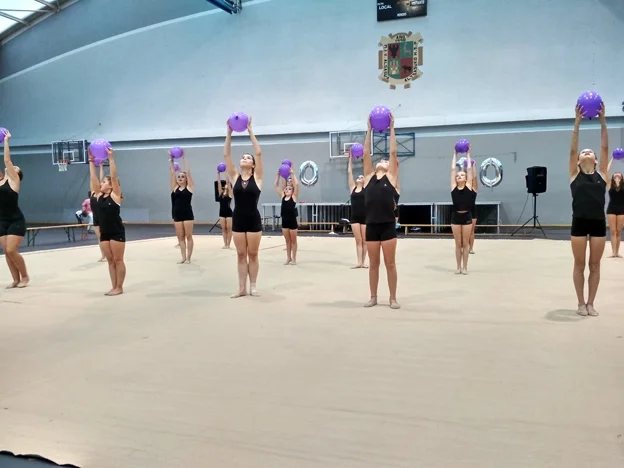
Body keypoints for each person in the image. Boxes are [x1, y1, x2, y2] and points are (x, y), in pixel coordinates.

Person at [569, 103, 609, 316]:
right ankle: (580, 303)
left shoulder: (602, 174)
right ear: (577, 161)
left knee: (594, 265)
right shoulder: (574, 175)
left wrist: (603, 122)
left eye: (590, 151)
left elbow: (604, 147)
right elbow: (572, 149)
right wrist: (577, 123)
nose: (586, 152)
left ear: (595, 160)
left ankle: (591, 303)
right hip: (579, 221)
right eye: (583, 152)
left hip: (598, 223)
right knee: (579, 264)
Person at [361, 113, 400, 309]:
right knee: (373, 264)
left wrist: (392, 128)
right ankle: (373, 296)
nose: (383, 160)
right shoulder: (368, 177)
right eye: (382, 160)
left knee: (390, 263)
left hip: (387, 226)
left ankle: (392, 298)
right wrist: (369, 129)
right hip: (371, 226)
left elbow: (392, 153)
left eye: (386, 161)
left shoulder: (391, 177)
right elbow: (366, 154)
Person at [224, 116, 264, 298]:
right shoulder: (235, 177)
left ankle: (253, 286)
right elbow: (226, 155)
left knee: (253, 254)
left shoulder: (258, 178)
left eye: (248, 158)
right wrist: (229, 133)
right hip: (238, 220)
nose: (245, 159)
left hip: (253, 220)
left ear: (253, 165)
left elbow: (259, 153)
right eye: (243, 157)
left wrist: (250, 131)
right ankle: (241, 288)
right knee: (241, 255)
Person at [89, 147, 126, 296]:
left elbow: (114, 177)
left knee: (118, 260)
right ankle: (113, 286)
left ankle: (119, 287)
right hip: (104, 232)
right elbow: (93, 178)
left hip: (116, 231)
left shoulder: (115, 195)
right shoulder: (98, 196)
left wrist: (111, 159)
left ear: (110, 185)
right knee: (110, 261)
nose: (101, 184)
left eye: (104, 182)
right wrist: (91, 161)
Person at [0, 131, 28, 288]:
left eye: (15, 168)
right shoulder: (0, 181)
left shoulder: (14, 181)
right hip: (1, 220)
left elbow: (6, 160)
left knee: (11, 250)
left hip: (15, 220)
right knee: (6, 252)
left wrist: (6, 141)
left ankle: (25, 276)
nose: (12, 167)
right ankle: (15, 279)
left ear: (17, 174)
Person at [450, 147, 474, 275]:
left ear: (466, 178)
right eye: (458, 175)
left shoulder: (469, 186)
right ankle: (458, 267)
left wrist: (468, 153)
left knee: (465, 243)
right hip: (455, 217)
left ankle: (465, 267)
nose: (459, 176)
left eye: (462, 175)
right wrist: (455, 154)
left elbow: (469, 169)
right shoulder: (453, 187)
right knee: (457, 243)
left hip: (467, 217)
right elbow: (452, 169)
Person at [169, 154, 195, 263]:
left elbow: (188, 172)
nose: (180, 178)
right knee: (180, 237)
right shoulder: (174, 188)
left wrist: (184, 158)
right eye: (178, 177)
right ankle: (183, 257)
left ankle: (189, 258)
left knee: (188, 236)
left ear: (186, 179)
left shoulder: (190, 188)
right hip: (177, 215)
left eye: (182, 177)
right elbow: (172, 173)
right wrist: (172, 161)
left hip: (187, 215)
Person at [274, 166, 299, 265]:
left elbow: (296, 184)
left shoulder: (294, 197)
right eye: (286, 189)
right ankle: (288, 258)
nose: (287, 190)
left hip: (292, 222)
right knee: (287, 241)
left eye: (289, 189)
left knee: (293, 241)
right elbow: (275, 186)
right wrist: (278, 175)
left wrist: (292, 173)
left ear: (292, 191)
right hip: (285, 221)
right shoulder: (282, 197)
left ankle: (294, 258)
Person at [347, 155, 367, 268]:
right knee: (358, 240)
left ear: (364, 181)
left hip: (365, 216)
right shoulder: (353, 188)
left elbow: (368, 172)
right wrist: (350, 158)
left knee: (365, 240)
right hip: (354, 217)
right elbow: (350, 172)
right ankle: (359, 262)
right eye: (358, 177)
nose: (359, 177)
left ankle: (363, 262)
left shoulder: (367, 189)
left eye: (361, 177)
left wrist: (364, 159)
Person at [606, 159, 623, 257]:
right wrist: (612, 159)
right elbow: (606, 171)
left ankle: (617, 252)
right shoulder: (609, 185)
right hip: (611, 209)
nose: (617, 174)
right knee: (613, 231)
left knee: (619, 231)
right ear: (613, 177)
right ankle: (613, 252)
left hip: (622, 209)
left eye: (619, 173)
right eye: (615, 173)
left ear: (622, 177)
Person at [90, 163, 106, 261]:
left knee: (105, 236)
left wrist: (101, 167)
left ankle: (109, 253)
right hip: (96, 218)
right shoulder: (92, 192)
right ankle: (103, 255)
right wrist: (92, 165)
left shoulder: (101, 193)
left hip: (103, 217)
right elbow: (93, 177)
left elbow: (101, 178)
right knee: (99, 237)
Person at [217, 171, 233, 249]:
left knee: (229, 229)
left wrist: (226, 173)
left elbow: (228, 182)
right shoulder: (220, 193)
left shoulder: (230, 194)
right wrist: (218, 174)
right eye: (225, 184)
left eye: (227, 185)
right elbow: (219, 184)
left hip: (229, 213)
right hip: (221, 213)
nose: (226, 185)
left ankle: (228, 244)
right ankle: (225, 243)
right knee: (223, 229)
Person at [469, 161, 478, 254]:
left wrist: (474, 166)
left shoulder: (474, 189)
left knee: (471, 231)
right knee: (463, 232)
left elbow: (475, 178)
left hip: (472, 211)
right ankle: (463, 247)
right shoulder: (463, 188)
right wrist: (463, 166)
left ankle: (471, 248)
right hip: (464, 211)